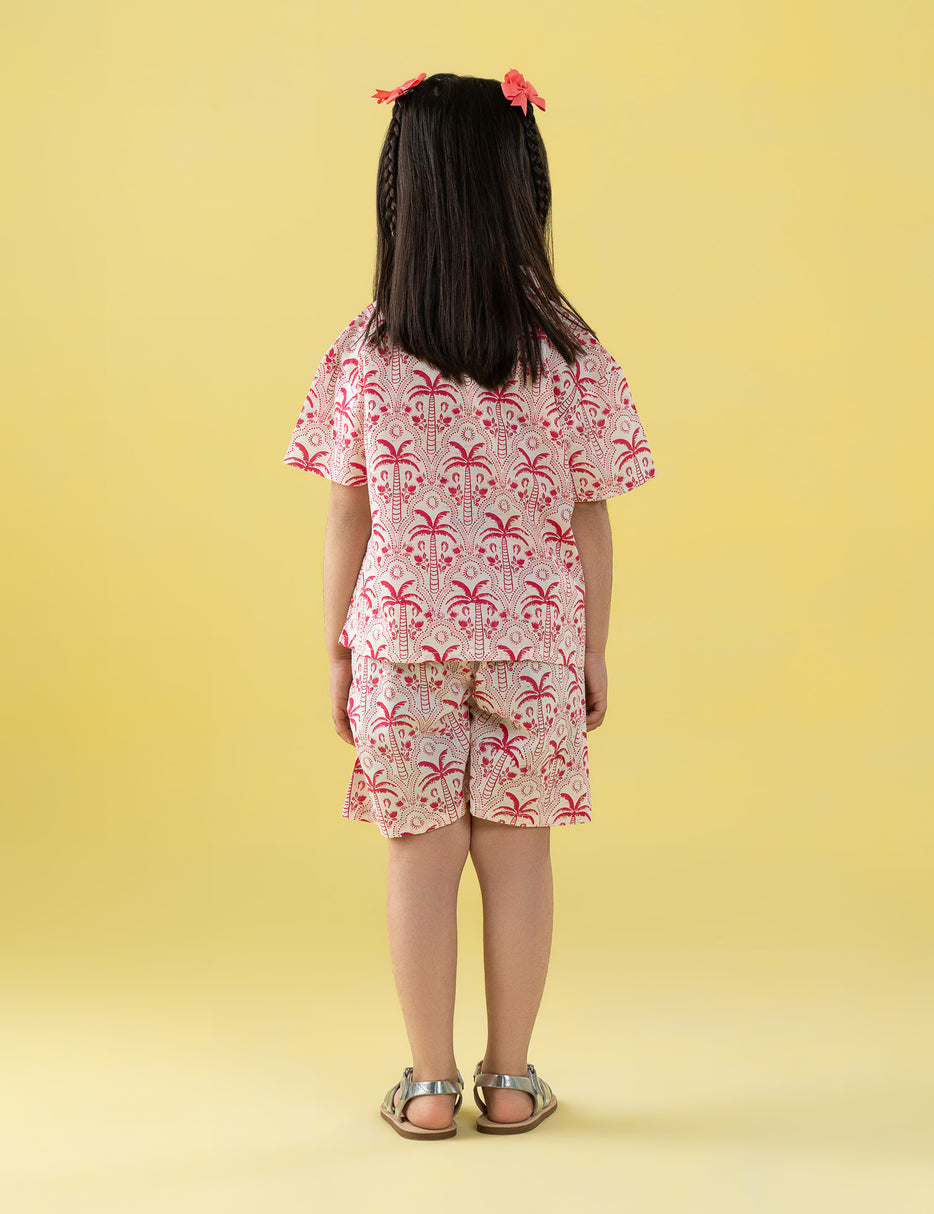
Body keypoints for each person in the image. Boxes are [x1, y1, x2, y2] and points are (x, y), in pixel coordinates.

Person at [282, 69, 657, 1140]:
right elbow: (590, 514)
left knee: (420, 853)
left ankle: (429, 1085)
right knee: (520, 852)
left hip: (400, 638)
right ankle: (511, 1079)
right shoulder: (569, 350)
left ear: (400, 192)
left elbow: (348, 513)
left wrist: (339, 652)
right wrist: (591, 649)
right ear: (522, 188)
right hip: (535, 641)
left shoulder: (365, 349)